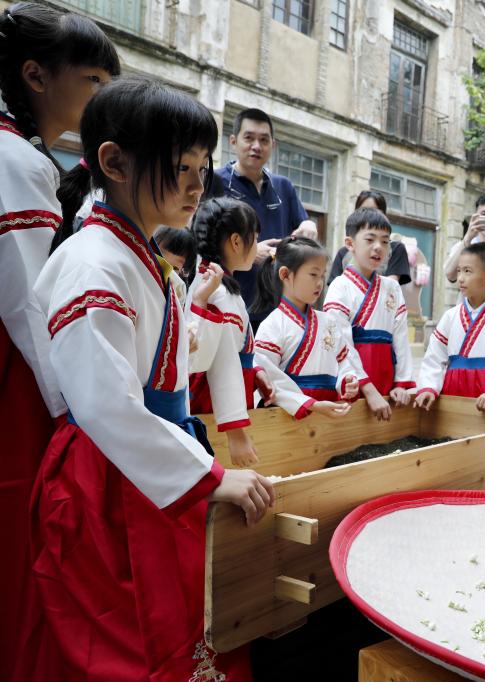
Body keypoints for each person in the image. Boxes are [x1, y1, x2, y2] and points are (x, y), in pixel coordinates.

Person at [34, 76, 271, 681]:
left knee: (178, 624)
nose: (198, 184)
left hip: (146, 466)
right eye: (180, 166)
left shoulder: (140, 256)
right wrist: (211, 475)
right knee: (127, 641)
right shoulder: (95, 264)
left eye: (201, 166)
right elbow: (106, 406)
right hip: (109, 481)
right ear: (114, 162)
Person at [0, 5, 119, 680]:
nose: (101, 96)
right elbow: (26, 307)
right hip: (19, 386)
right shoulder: (16, 162)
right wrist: (70, 409)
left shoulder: (26, 157)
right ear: (36, 75)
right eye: (94, 79)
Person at [188, 198, 317, 465]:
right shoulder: (219, 292)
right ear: (236, 242)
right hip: (213, 406)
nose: (258, 244)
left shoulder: (215, 284)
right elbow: (222, 366)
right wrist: (236, 433)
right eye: (254, 237)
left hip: (219, 402)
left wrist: (256, 371)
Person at [212, 108, 318, 320]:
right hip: (227, 304)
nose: (256, 146)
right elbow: (201, 242)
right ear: (233, 141)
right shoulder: (214, 182)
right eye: (249, 138)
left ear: (273, 145)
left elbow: (302, 224)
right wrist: (247, 253)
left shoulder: (283, 187)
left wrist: (309, 225)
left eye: (264, 140)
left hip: (279, 309)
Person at [251, 235, 360, 416]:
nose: (320, 283)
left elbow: (343, 361)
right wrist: (311, 405)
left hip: (330, 412)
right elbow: (268, 377)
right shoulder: (272, 324)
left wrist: (347, 380)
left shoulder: (329, 322)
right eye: (313, 274)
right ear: (285, 274)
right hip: (287, 416)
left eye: (322, 275)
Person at [323, 207, 415, 421]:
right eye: (370, 240)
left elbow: (400, 338)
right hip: (353, 378)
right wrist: (368, 389)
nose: (378, 248)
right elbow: (341, 342)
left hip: (385, 373)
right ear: (350, 244)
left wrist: (402, 383)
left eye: (385, 241)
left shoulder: (392, 288)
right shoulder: (339, 286)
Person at [415, 242, 485, 417]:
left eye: (468, 271)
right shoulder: (450, 316)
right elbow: (435, 356)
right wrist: (429, 387)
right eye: (459, 271)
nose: (461, 278)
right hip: (452, 391)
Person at [327, 190, 412, 286]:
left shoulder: (396, 248)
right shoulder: (343, 253)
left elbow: (391, 288)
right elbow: (334, 287)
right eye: (364, 210)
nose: (369, 216)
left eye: (375, 211)